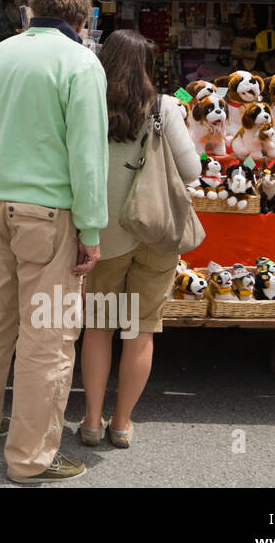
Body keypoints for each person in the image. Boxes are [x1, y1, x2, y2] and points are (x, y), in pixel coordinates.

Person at [0, 0, 108, 483]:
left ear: (29, 12)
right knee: (49, 339)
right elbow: (88, 156)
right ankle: (30, 459)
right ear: (82, 22)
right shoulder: (81, 63)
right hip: (48, 214)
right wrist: (91, 228)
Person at [79, 29, 200, 448]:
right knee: (140, 329)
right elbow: (191, 171)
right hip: (154, 229)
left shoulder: (88, 102)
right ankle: (122, 423)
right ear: (149, 65)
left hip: (102, 234)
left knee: (97, 327)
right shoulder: (165, 107)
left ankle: (91, 422)